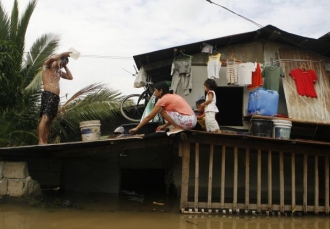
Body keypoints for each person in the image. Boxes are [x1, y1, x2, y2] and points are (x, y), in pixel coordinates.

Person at [129, 81, 197, 135]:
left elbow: (149, 116)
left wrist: (137, 128)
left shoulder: (163, 99)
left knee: (161, 111)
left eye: (155, 90)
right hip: (193, 120)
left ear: (161, 91)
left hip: (187, 121)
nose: (154, 93)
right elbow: (173, 117)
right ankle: (177, 127)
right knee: (164, 110)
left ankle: (177, 127)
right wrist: (164, 126)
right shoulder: (173, 95)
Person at [38, 52, 73, 144]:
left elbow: (70, 77)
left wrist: (64, 66)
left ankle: (45, 141)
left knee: (49, 120)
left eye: (62, 66)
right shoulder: (47, 66)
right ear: (57, 60)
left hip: (55, 97)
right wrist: (63, 54)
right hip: (48, 95)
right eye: (61, 64)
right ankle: (41, 141)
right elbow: (52, 58)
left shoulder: (59, 72)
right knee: (45, 118)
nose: (60, 67)